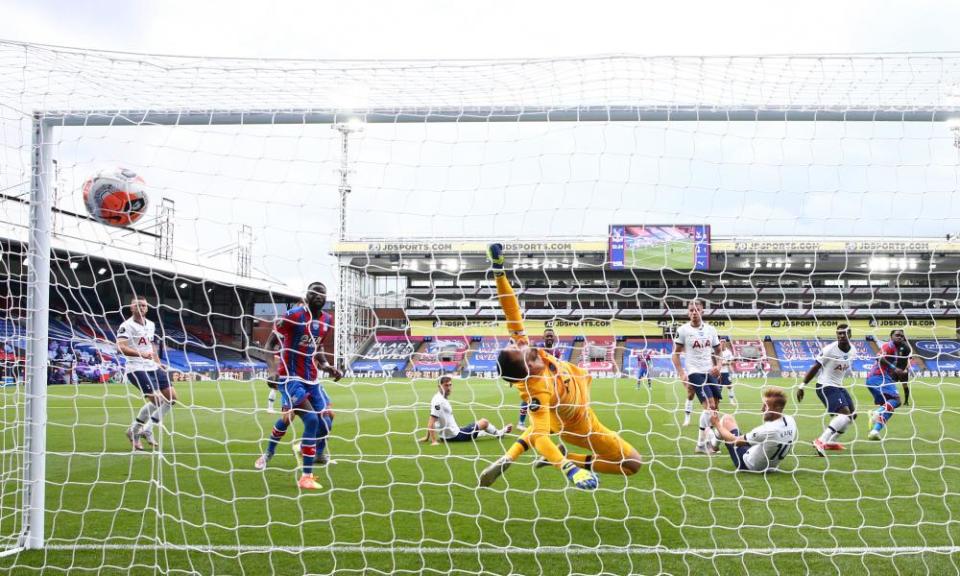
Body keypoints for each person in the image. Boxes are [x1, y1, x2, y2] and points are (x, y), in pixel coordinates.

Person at [478, 243, 643, 491]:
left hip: (566, 407)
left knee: (539, 426)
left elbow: (509, 307)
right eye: (516, 347)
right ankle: (565, 458)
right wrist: (570, 469)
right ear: (527, 365)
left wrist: (499, 271)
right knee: (632, 464)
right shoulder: (537, 390)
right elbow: (541, 437)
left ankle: (511, 456)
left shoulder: (526, 352)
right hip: (582, 426)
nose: (518, 341)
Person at [253, 282, 342, 489]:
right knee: (305, 419)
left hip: (312, 379)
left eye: (323, 292)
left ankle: (315, 452)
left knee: (326, 420)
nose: (319, 295)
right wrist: (272, 371)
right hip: (290, 377)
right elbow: (269, 345)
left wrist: (327, 366)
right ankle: (294, 469)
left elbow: (317, 346)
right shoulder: (293, 316)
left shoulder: (327, 320)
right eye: (314, 292)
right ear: (307, 295)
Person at [118, 296, 176, 451]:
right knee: (157, 400)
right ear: (131, 308)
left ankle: (147, 429)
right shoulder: (126, 326)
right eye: (138, 305)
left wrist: (158, 363)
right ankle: (135, 431)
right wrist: (140, 354)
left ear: (147, 308)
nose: (141, 308)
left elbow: (151, 345)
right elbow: (121, 347)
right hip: (136, 368)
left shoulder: (151, 324)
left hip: (152, 366)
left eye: (143, 305)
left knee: (172, 398)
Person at [797, 324, 857, 456]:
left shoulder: (853, 350)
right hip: (825, 386)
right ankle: (821, 441)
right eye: (839, 333)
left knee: (852, 416)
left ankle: (830, 442)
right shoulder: (829, 349)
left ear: (850, 335)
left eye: (844, 333)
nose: (841, 336)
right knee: (844, 415)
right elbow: (815, 367)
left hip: (838, 386)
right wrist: (802, 385)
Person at [672, 299, 723, 454]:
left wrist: (718, 366)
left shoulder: (711, 330)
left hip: (709, 371)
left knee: (716, 407)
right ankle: (706, 443)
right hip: (694, 372)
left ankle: (702, 444)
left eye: (697, 310)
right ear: (688, 313)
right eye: (691, 310)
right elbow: (675, 354)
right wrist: (682, 373)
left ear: (702, 311)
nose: (694, 312)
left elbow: (718, 351)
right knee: (710, 405)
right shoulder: (683, 330)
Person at [711, 386, 798, 472]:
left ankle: (714, 446)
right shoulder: (791, 420)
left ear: (777, 408)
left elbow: (735, 442)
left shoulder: (768, 430)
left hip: (747, 464)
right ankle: (715, 444)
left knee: (726, 419)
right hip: (772, 466)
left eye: (766, 406)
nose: (762, 409)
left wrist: (716, 424)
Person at [420, 375, 512, 444]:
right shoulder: (438, 401)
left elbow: (433, 418)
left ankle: (480, 432)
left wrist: (427, 437)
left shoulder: (439, 398)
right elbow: (431, 421)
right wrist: (433, 441)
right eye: (446, 385)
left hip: (450, 434)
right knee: (484, 422)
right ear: (439, 386)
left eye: (450, 385)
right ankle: (499, 433)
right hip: (455, 436)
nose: (449, 388)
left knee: (474, 423)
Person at [865, 329, 912, 441]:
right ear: (891, 336)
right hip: (878, 377)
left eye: (901, 336)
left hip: (877, 378)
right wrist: (894, 368)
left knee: (889, 408)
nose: (899, 337)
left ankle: (874, 431)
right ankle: (876, 412)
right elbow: (880, 358)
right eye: (897, 335)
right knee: (896, 400)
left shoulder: (897, 349)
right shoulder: (888, 346)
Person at [519, 328, 558, 431]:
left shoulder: (556, 351)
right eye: (547, 336)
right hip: (536, 378)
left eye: (551, 336)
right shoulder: (537, 348)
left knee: (548, 401)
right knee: (528, 399)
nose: (549, 338)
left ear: (554, 338)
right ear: (543, 338)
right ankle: (521, 422)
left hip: (549, 380)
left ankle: (548, 423)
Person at [719, 340, 737, 404]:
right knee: (718, 386)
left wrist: (726, 363)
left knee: (729, 386)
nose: (722, 344)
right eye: (721, 343)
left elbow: (732, 361)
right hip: (718, 371)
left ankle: (731, 400)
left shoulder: (728, 352)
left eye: (724, 343)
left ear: (725, 344)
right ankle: (718, 398)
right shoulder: (717, 351)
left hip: (725, 372)